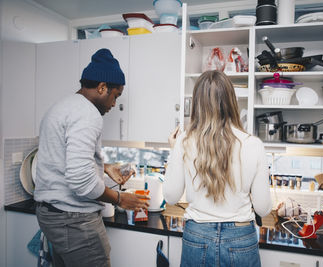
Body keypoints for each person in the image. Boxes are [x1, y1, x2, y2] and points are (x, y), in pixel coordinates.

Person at [34, 48, 149, 267]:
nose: (114, 104)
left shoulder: (61, 107)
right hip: (75, 221)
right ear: (102, 87)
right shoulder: (88, 114)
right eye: (115, 96)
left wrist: (104, 167)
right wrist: (119, 198)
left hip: (52, 216)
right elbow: (80, 181)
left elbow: (62, 158)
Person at [163, 70, 272, 267]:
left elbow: (170, 197)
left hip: (197, 236)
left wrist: (175, 151)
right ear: (231, 101)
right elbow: (263, 209)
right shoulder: (254, 144)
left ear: (197, 102)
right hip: (241, 237)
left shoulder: (184, 142)